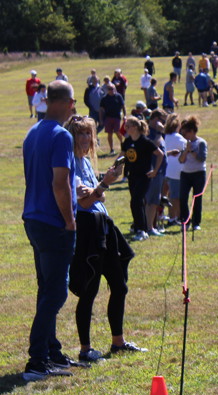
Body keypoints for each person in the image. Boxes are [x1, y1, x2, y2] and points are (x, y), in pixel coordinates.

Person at [65, 116, 145, 361]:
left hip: (103, 225)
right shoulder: (70, 163)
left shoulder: (86, 162)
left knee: (119, 285)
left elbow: (96, 196)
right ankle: (85, 349)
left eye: (88, 133)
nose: (86, 138)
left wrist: (101, 186)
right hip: (88, 229)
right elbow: (83, 202)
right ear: (71, 137)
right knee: (89, 289)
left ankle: (118, 342)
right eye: (80, 134)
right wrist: (102, 186)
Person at [21, 80, 81, 381]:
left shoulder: (33, 132)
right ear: (65, 103)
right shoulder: (61, 135)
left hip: (34, 219)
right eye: (73, 102)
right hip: (53, 223)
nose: (74, 107)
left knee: (46, 288)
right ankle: (37, 361)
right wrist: (69, 221)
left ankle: (51, 351)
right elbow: (60, 183)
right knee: (55, 293)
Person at [121, 116, 164, 241]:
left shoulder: (145, 141)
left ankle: (142, 230)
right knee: (135, 202)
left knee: (136, 201)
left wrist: (155, 171)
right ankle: (139, 228)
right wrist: (114, 167)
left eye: (127, 126)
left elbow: (160, 154)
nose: (125, 128)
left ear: (135, 127)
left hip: (144, 176)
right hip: (132, 176)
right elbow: (122, 155)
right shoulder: (127, 141)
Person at [178, 116, 208, 231]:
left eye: (185, 133)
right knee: (182, 198)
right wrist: (186, 151)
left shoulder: (201, 143)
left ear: (191, 131)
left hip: (198, 174)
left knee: (197, 198)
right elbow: (181, 160)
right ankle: (185, 221)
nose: (184, 135)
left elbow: (201, 158)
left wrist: (192, 151)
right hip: (185, 174)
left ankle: (196, 222)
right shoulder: (184, 144)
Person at [163, 113, 185, 227]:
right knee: (175, 196)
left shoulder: (166, 136)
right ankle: (174, 217)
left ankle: (171, 215)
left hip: (166, 170)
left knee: (169, 194)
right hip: (176, 171)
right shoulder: (178, 138)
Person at [99, 82, 125, 154]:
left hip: (117, 117)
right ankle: (111, 149)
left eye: (112, 88)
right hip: (108, 118)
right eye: (109, 89)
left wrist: (125, 115)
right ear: (107, 90)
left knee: (117, 132)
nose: (111, 90)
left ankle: (122, 143)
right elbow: (101, 110)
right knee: (109, 134)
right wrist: (101, 119)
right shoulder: (104, 99)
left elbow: (123, 106)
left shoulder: (118, 96)